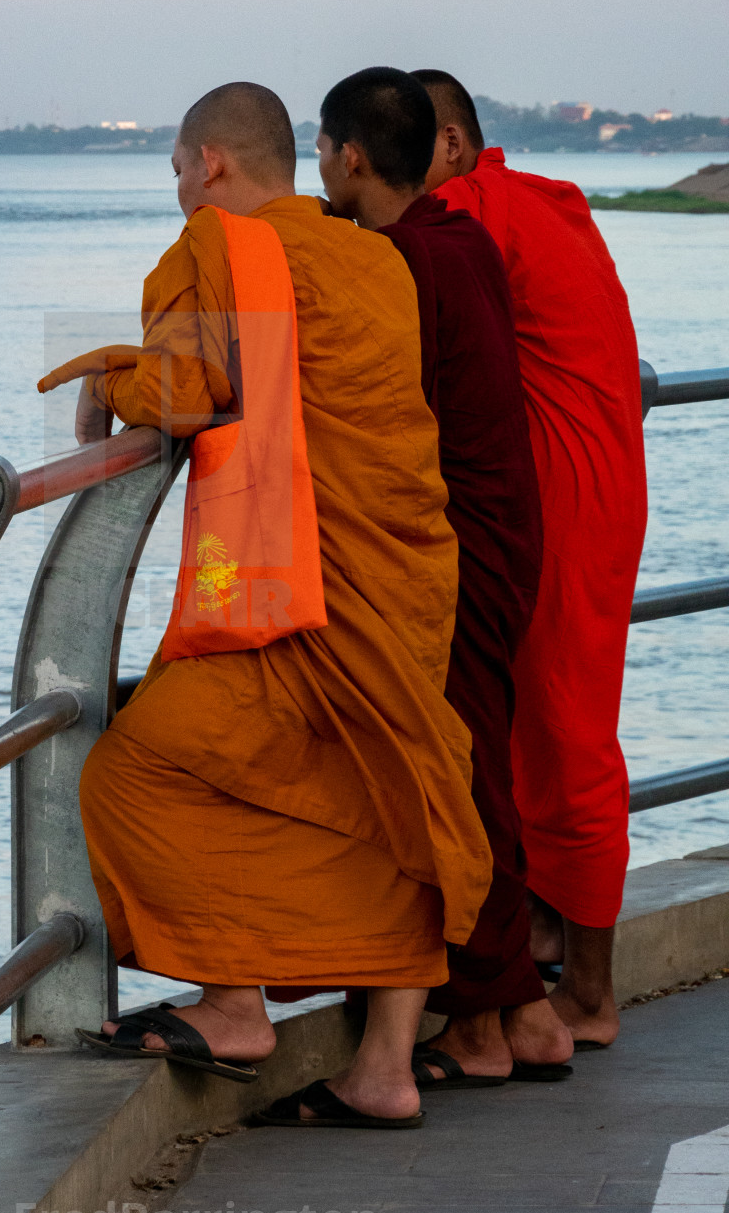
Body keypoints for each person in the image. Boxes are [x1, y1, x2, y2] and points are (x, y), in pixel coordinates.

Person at [38, 82, 491, 1125]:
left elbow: (195, 388)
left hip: (301, 586)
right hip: (406, 566)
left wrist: (108, 374)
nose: (181, 195)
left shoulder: (219, 249)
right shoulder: (373, 255)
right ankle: (381, 1069)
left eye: (177, 174)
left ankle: (235, 1001)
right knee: (393, 796)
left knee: (138, 771)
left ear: (211, 166)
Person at [314, 66, 574, 1087]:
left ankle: (483, 1024)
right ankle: (521, 1017)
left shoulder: (402, 265)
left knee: (458, 778)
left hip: (457, 546)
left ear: (352, 157)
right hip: (502, 531)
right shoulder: (453, 241)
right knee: (475, 769)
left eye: (322, 150)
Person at [417, 68, 647, 1048]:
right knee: (531, 732)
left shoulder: (470, 209)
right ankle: (544, 937)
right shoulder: (542, 206)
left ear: (455, 147)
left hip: (563, 500)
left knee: (566, 739)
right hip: (596, 486)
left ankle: (589, 995)